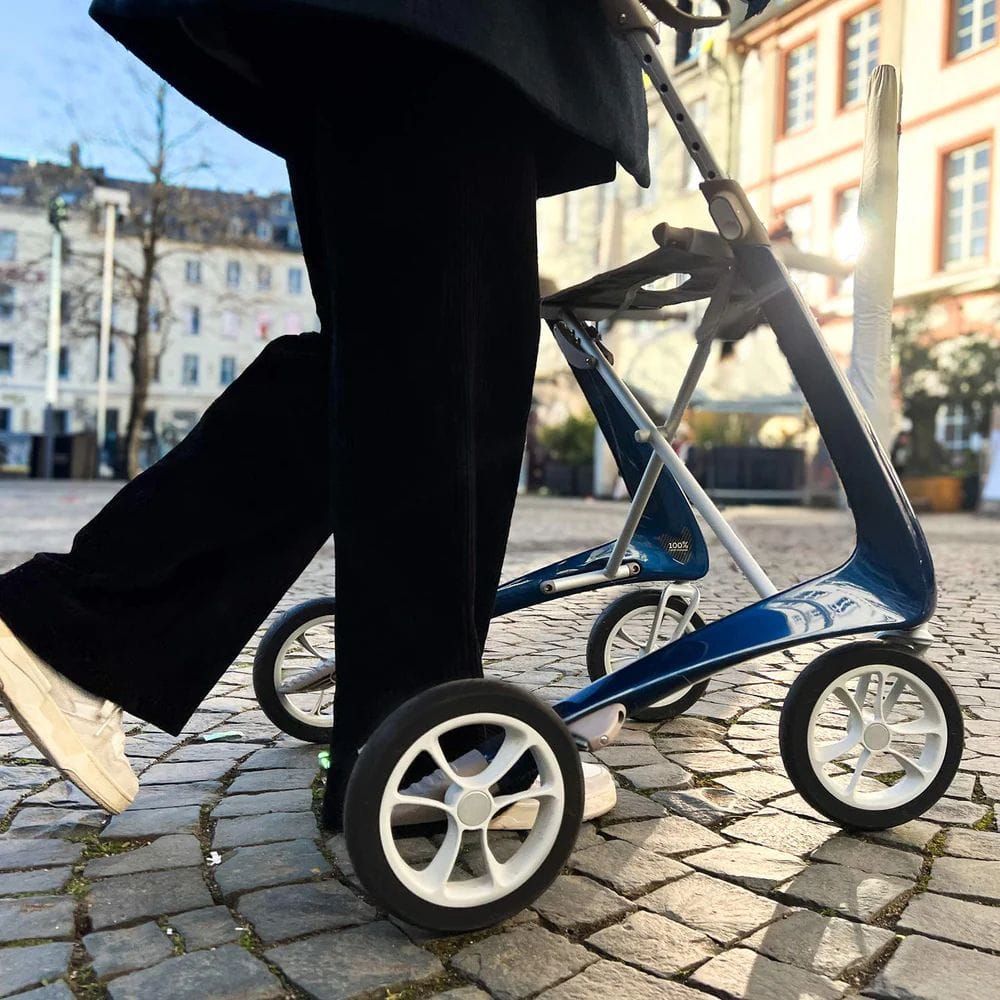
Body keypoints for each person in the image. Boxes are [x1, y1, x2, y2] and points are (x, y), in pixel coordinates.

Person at [0, 2, 651, 830]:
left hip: (364, 27)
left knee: (388, 359)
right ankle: (424, 744)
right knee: (445, 359)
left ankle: (86, 632)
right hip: (456, 27)